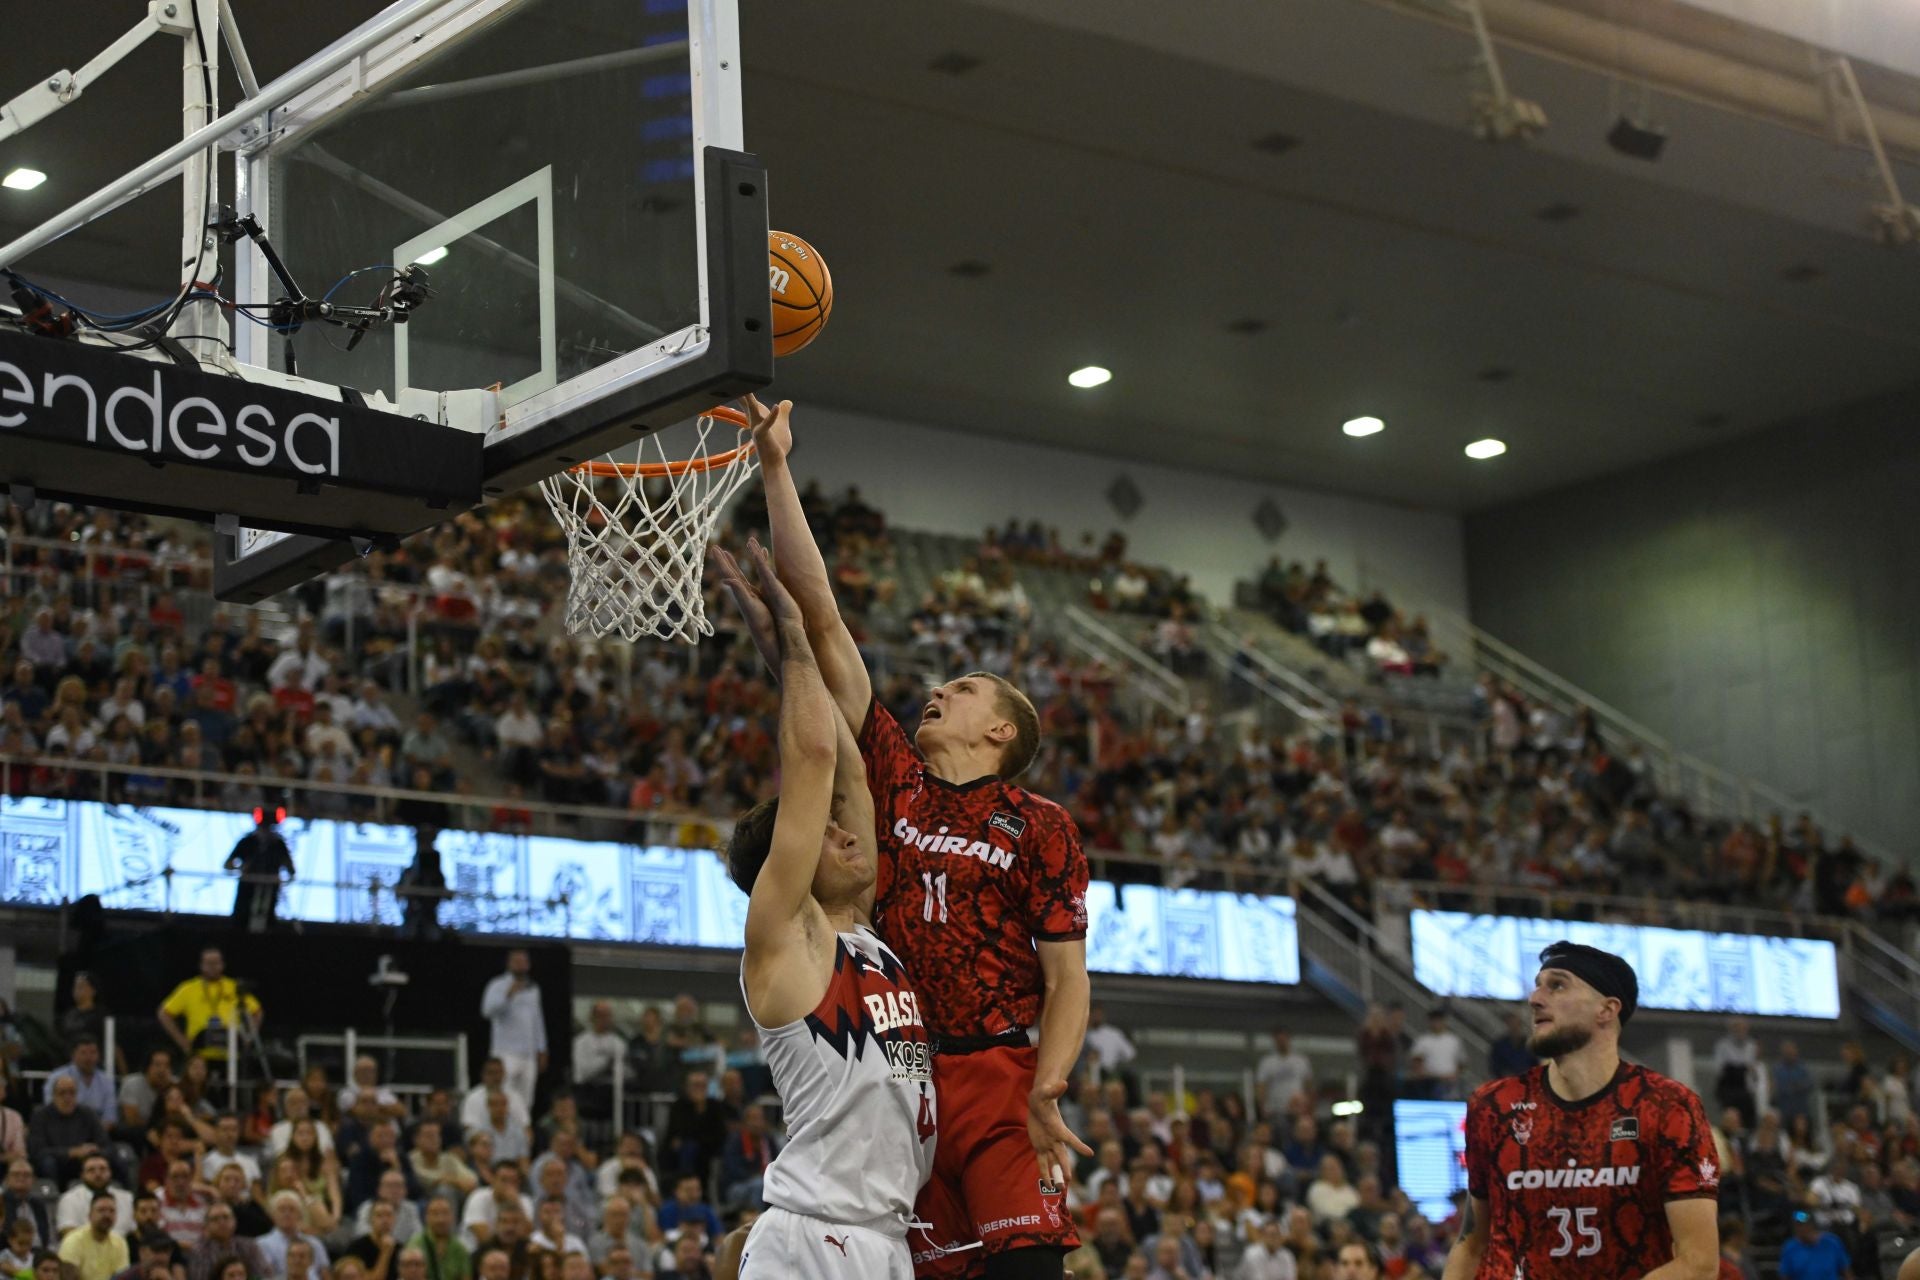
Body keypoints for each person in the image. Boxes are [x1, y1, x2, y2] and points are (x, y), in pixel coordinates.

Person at [746, 395, 1092, 1278]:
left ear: (1002, 732)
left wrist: (1050, 1088)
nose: (941, 689)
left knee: (1029, 1269)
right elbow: (822, 617)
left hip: (1002, 1072)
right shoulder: (894, 775)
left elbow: (1067, 980)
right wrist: (777, 469)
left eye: (967, 688)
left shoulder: (1041, 825)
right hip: (915, 1081)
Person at [708, 541, 937, 1276]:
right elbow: (811, 759)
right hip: (813, 1235)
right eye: (824, 831)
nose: (845, 830)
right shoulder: (789, 936)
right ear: (794, 862)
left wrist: (787, 658)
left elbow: (850, 773)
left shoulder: (863, 926)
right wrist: (798, 635)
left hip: (884, 1238)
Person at [1441, 940, 1720, 1279]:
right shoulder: (1493, 1107)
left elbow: (1699, 1263)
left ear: (1607, 1009)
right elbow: (1471, 1244)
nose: (1535, 999)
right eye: (1537, 986)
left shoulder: (1667, 1107)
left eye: (1557, 985)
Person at [155, 951, 260, 1073]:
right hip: (200, 1056)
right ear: (201, 965)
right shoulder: (188, 988)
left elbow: (257, 1012)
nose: (213, 967)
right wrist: (183, 1042)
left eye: (216, 963)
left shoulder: (233, 987)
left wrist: (248, 1037)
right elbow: (164, 1013)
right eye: (209, 963)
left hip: (230, 1056)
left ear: (223, 965)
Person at [478, 955, 545, 1114]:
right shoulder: (497, 985)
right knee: (503, 1095)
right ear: (509, 964)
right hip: (505, 1052)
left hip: (528, 1054)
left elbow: (537, 1020)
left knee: (526, 1101)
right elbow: (487, 1011)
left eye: (524, 962)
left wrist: (541, 1047)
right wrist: (507, 995)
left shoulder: (533, 988)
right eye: (517, 962)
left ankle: (522, 1132)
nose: (521, 965)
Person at [27, 1077, 111, 1188]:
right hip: (55, 1162)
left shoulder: (87, 1113)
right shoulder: (40, 1116)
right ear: (53, 1095)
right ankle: (53, 1196)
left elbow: (104, 1143)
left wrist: (93, 1149)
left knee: (113, 1158)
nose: (67, 1097)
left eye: (72, 1093)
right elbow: (37, 1151)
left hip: (83, 1161)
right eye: (62, 1093)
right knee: (47, 1163)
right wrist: (70, 1152)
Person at [225, 805, 295, 932]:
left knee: (267, 918)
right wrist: (242, 868)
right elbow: (228, 864)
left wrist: (282, 876)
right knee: (242, 917)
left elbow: (290, 868)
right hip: (248, 884)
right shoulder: (247, 841)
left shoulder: (278, 844)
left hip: (270, 885)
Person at [183, 1201, 265, 1280]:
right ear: (206, 1225)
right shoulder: (199, 1251)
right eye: (215, 1219)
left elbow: (264, 1276)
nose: (222, 1222)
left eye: (226, 1217)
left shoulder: (249, 1246)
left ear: (234, 1221)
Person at [257, 1192, 329, 1280]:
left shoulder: (314, 1243)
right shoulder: (261, 1244)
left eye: (292, 1209)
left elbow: (325, 1274)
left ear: (300, 1215)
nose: (287, 1214)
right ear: (273, 1215)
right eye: (282, 1209)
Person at [55, 1157, 133, 1237]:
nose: (98, 1174)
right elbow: (68, 1232)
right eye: (91, 1170)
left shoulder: (127, 1198)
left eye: (103, 1169)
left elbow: (135, 1231)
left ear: (110, 1172)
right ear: (82, 1175)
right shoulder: (69, 1199)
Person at [44, 1041, 116, 1124]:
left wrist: (96, 1133)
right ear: (73, 1056)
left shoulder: (106, 1081)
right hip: (61, 1129)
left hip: (98, 1131)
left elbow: (110, 1118)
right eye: (83, 1053)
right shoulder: (56, 1077)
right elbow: (50, 1111)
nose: (89, 1057)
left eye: (93, 1052)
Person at [58, 1196, 128, 1280]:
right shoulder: (73, 1240)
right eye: (101, 1210)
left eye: (111, 1211)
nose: (107, 1215)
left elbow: (122, 1277)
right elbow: (68, 1277)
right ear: (90, 1215)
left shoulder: (120, 1242)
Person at [409, 1197, 471, 1280]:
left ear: (452, 1217)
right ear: (426, 1217)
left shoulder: (459, 1248)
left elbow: (466, 1276)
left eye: (445, 1213)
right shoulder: (416, 1244)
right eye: (435, 1214)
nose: (440, 1219)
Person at [1778, 1209, 1851, 1280]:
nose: (1799, 1229)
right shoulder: (1790, 1247)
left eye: (1802, 1225)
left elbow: (1846, 1271)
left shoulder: (1831, 1243)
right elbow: (1784, 1275)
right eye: (1797, 1225)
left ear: (1812, 1225)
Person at [1255, 1031, 1313, 1119]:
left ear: (1288, 1040)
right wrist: (1262, 1108)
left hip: (1298, 1110)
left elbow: (1309, 1086)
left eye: (1283, 1039)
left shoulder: (1301, 1060)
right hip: (1275, 1111)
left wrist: (1309, 1107)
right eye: (1279, 1040)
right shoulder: (1267, 1062)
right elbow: (1261, 1086)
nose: (1281, 1043)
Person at [2, 1161, 53, 1251]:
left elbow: (45, 1237)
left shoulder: (38, 1205)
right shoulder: (1, 1203)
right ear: (7, 1179)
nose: (21, 1178)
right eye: (16, 1174)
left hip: (39, 1254)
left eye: (26, 1175)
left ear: (33, 1180)